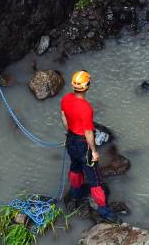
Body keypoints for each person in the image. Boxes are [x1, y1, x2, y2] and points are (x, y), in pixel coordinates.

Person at [60, 70, 120, 223]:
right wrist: (93, 151)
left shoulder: (66, 99)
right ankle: (103, 210)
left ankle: (75, 195)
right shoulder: (85, 108)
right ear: (87, 87)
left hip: (71, 140)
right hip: (82, 144)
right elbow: (88, 132)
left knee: (75, 168)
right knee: (95, 179)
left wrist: (69, 132)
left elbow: (63, 116)